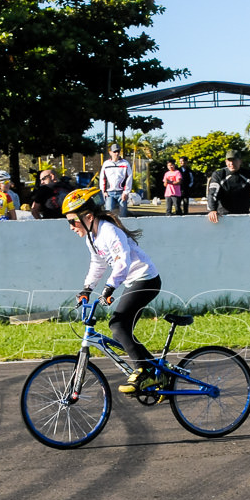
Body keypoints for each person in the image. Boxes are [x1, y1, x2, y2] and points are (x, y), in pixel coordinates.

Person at [62, 187, 162, 395]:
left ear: (87, 216)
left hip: (145, 279)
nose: (70, 227)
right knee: (122, 335)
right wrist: (87, 289)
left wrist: (109, 288)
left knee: (118, 325)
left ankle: (143, 371)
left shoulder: (109, 231)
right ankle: (158, 372)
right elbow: (98, 263)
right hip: (132, 282)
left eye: (72, 221)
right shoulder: (92, 236)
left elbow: (121, 261)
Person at [99, 143, 132, 217]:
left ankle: (122, 228)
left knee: (123, 214)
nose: (116, 154)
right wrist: (103, 191)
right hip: (109, 193)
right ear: (110, 153)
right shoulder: (106, 164)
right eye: (114, 152)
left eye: (118, 152)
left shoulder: (125, 163)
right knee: (109, 213)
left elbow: (129, 178)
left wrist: (126, 192)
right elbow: (102, 178)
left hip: (121, 193)